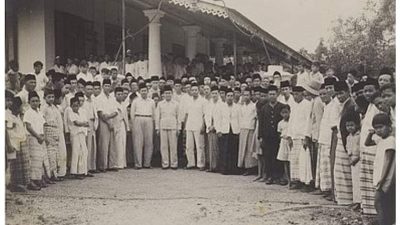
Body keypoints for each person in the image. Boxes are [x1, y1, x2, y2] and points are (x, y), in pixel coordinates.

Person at [365, 113, 395, 225]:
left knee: (379, 202)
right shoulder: (381, 140)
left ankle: (384, 222)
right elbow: (367, 143)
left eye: (381, 127)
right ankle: (384, 221)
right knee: (382, 203)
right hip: (380, 176)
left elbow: (388, 161)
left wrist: (382, 180)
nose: (378, 130)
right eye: (376, 128)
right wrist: (370, 134)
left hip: (386, 178)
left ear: (389, 127)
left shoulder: (391, 140)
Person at [359, 78, 381, 215]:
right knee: (366, 180)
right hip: (365, 148)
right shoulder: (369, 106)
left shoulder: (378, 107)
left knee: (375, 180)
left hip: (374, 148)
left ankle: (376, 210)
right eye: (365, 91)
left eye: (370, 91)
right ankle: (367, 208)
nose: (367, 94)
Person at [334, 81, 357, 205]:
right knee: (341, 171)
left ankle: (348, 199)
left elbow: (346, 129)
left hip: (346, 141)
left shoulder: (351, 105)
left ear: (348, 92)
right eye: (337, 94)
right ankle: (343, 198)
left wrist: (347, 146)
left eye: (341, 93)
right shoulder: (344, 104)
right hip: (341, 139)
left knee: (345, 171)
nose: (339, 96)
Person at [259, 85, 287, 185]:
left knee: (278, 157)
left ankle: (279, 176)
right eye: (270, 94)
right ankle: (269, 176)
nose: (272, 96)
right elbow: (261, 124)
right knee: (268, 157)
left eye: (274, 94)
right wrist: (260, 137)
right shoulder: (263, 108)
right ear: (267, 95)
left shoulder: (282, 106)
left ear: (277, 94)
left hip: (277, 137)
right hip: (267, 137)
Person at [287, 86, 312, 189]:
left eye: (297, 94)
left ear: (302, 94)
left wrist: (306, 136)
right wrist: (289, 136)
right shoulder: (293, 105)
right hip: (294, 136)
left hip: (302, 137)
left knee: (303, 161)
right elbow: (291, 121)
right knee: (294, 161)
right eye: (294, 94)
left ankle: (305, 182)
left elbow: (308, 121)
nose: (295, 96)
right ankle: (296, 181)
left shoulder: (307, 105)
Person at [6, 95, 33, 191]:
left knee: (22, 164)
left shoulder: (17, 116)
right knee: (13, 165)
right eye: (19, 106)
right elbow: (8, 130)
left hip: (21, 140)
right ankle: (13, 185)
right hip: (13, 142)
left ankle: (22, 183)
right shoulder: (8, 115)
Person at [23, 91, 47, 189]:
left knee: (40, 159)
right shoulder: (28, 113)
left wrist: (43, 136)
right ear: (29, 102)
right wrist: (37, 136)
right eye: (33, 101)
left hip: (40, 137)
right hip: (33, 137)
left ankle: (38, 179)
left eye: (37, 101)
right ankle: (32, 181)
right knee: (33, 159)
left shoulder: (40, 112)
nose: (35, 103)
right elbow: (28, 127)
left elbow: (43, 125)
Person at [130, 83, 156, 169]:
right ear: (139, 91)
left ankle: (147, 163)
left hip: (148, 119)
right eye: (142, 91)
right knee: (138, 142)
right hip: (138, 118)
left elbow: (154, 113)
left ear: (148, 91)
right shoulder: (135, 101)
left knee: (149, 142)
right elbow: (132, 113)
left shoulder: (151, 101)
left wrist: (154, 123)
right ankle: (138, 164)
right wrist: (133, 124)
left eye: (145, 91)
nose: (144, 92)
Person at [215, 88, 240, 175]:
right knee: (224, 150)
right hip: (224, 130)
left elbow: (239, 119)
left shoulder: (237, 107)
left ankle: (233, 168)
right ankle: (224, 169)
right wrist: (218, 130)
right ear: (225, 97)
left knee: (233, 150)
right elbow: (217, 119)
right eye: (228, 96)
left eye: (231, 96)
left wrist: (239, 130)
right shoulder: (221, 107)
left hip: (234, 130)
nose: (230, 98)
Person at [96, 79, 119, 172]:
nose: (107, 88)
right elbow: (100, 113)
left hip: (111, 120)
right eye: (105, 86)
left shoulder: (112, 98)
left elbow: (116, 112)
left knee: (112, 144)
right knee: (103, 144)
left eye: (109, 86)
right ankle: (103, 166)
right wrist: (108, 121)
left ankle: (112, 165)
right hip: (103, 122)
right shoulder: (99, 98)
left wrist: (110, 118)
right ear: (102, 87)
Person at [155, 85, 180, 169]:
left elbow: (178, 117)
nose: (168, 95)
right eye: (166, 93)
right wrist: (157, 128)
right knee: (164, 146)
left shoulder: (176, 104)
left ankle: (174, 163)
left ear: (172, 94)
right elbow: (157, 116)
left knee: (173, 146)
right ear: (163, 94)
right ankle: (165, 163)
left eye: (169, 93)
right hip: (163, 126)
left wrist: (179, 128)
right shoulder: (160, 104)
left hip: (173, 126)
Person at [183, 83, 206, 170]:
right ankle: (190, 163)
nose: (194, 92)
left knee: (199, 146)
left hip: (198, 125)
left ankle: (201, 164)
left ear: (198, 91)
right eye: (193, 90)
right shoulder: (188, 101)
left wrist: (203, 125)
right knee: (189, 146)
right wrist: (185, 126)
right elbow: (186, 114)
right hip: (189, 125)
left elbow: (205, 115)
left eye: (196, 90)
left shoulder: (203, 101)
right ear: (191, 91)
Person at [41, 89, 61, 182]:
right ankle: (50, 175)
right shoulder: (44, 108)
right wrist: (44, 135)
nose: (51, 99)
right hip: (48, 129)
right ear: (44, 98)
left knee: (56, 153)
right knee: (50, 153)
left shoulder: (54, 107)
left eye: (52, 97)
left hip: (55, 129)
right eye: (49, 97)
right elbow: (43, 122)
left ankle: (55, 174)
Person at [67, 97, 89, 179]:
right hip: (75, 134)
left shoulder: (82, 112)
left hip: (82, 134)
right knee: (76, 153)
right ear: (71, 106)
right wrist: (83, 123)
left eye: (77, 106)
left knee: (84, 152)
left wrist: (82, 123)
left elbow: (86, 123)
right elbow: (77, 123)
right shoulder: (71, 113)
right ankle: (74, 172)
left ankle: (82, 171)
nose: (75, 107)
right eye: (74, 106)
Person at [237, 87, 257, 174]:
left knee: (249, 149)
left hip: (250, 128)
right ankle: (243, 166)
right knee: (243, 148)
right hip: (243, 128)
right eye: (244, 95)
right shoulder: (241, 106)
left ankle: (251, 167)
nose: (246, 97)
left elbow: (255, 118)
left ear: (251, 96)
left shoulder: (254, 106)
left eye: (247, 95)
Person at [344, 114, 361, 211]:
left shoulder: (359, 136)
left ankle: (359, 202)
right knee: (354, 181)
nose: (350, 128)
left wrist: (356, 158)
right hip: (352, 160)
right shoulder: (348, 137)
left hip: (358, 160)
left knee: (358, 181)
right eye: (347, 126)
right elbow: (348, 148)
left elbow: (360, 150)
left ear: (357, 125)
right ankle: (355, 200)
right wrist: (350, 156)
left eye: (352, 125)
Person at [81, 81, 98, 173]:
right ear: (84, 90)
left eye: (91, 89)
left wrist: (95, 124)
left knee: (92, 146)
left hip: (92, 123)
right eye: (88, 89)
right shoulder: (82, 101)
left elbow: (95, 114)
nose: (90, 91)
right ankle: (85, 168)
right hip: (84, 123)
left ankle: (91, 167)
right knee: (86, 146)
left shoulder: (93, 100)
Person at [204, 86, 221, 172]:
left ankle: (217, 166)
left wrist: (215, 126)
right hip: (210, 128)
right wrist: (209, 125)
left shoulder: (221, 104)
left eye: (216, 93)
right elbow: (207, 116)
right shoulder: (209, 103)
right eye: (213, 93)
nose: (214, 95)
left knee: (216, 148)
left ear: (218, 94)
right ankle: (211, 166)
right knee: (210, 148)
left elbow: (220, 118)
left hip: (217, 128)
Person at [112, 87, 130, 169]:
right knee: (117, 144)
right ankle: (117, 163)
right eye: (118, 94)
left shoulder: (124, 104)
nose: (120, 96)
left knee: (123, 143)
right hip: (116, 124)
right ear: (115, 95)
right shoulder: (113, 104)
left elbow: (126, 116)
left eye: (121, 94)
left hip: (123, 124)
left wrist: (127, 127)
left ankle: (123, 163)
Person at [276, 105, 291, 187]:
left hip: (290, 141)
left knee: (291, 161)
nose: (285, 115)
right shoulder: (280, 123)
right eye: (283, 113)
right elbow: (279, 133)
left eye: (286, 112)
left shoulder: (292, 122)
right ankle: (288, 179)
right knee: (285, 161)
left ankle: (293, 180)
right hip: (283, 142)